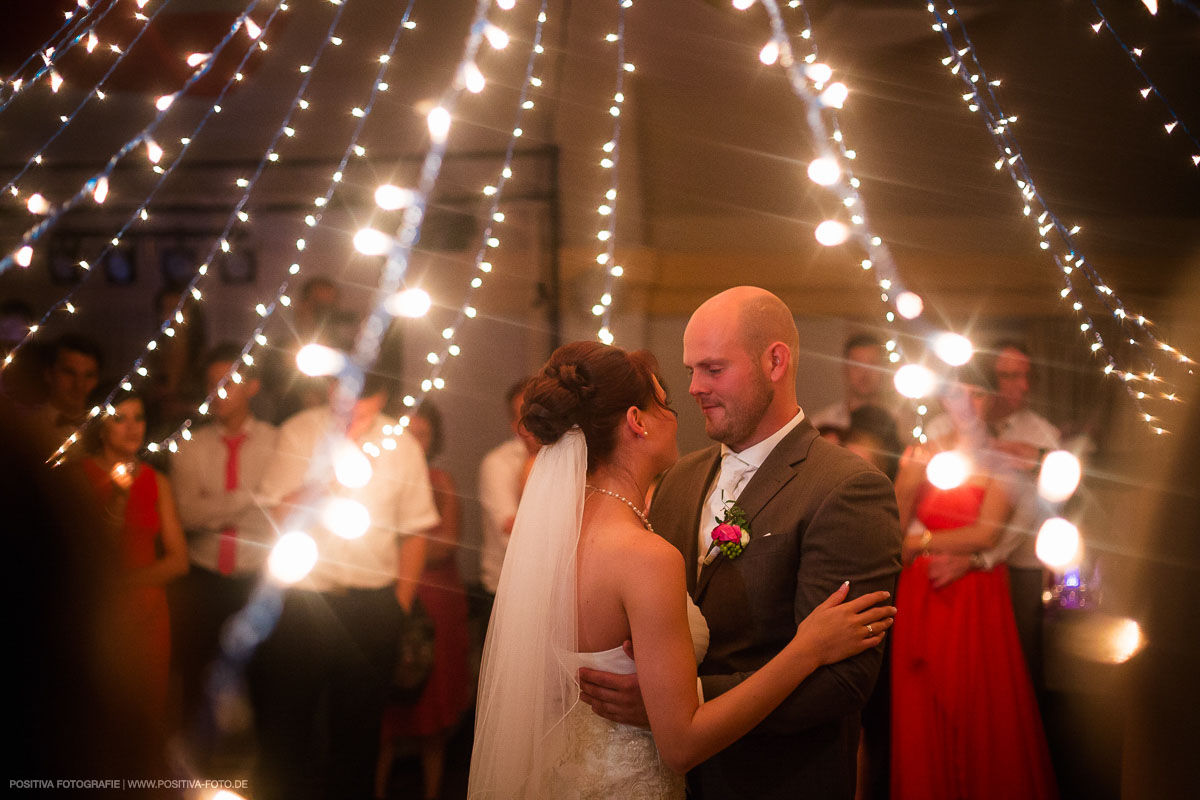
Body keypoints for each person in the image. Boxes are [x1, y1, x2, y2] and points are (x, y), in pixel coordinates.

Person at [469, 340, 895, 799]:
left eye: (712, 368)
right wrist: (806, 650)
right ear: (637, 422)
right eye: (665, 402)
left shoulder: (556, 542)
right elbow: (681, 743)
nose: (687, 400)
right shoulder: (644, 555)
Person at [577, 287, 902, 800]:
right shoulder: (679, 478)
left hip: (778, 781)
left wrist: (682, 703)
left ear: (775, 361)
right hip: (673, 778)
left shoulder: (847, 487)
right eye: (690, 371)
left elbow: (846, 681)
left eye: (713, 369)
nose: (694, 388)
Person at [252, 373, 437, 800]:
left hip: (372, 607)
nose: (353, 414)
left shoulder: (400, 445)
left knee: (359, 734)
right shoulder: (300, 431)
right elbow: (275, 514)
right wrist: (321, 486)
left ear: (382, 399)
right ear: (332, 388)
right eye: (346, 399)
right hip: (304, 601)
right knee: (286, 726)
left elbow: (415, 532)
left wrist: (399, 607)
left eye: (365, 407)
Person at [889, 362, 1057, 800]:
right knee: (922, 699)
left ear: (987, 400)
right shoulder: (924, 453)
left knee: (972, 702)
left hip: (975, 593)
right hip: (921, 589)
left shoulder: (1001, 458)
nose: (965, 404)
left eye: (976, 394)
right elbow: (893, 527)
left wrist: (923, 540)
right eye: (956, 393)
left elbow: (987, 531)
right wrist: (908, 481)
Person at [920, 340, 1060, 689]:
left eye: (1026, 376)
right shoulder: (939, 430)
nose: (1022, 386)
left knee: (1011, 673)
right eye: (1010, 376)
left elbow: (1029, 513)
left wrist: (981, 557)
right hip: (944, 559)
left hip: (1015, 566)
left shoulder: (1041, 434)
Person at [170, 343, 278, 759]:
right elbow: (189, 515)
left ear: (252, 386)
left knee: (265, 685)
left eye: (228, 382)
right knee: (196, 684)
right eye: (211, 383)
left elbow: (278, 504)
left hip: (255, 581)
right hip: (203, 581)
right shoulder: (190, 445)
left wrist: (219, 503)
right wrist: (252, 497)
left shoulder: (276, 441)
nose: (218, 391)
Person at [79, 387, 189, 726]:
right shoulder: (77, 475)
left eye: (138, 417)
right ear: (100, 426)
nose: (131, 427)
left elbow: (179, 560)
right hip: (95, 612)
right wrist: (118, 498)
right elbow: (87, 551)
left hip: (147, 612)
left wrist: (126, 582)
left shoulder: (156, 480)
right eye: (119, 418)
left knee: (146, 715)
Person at [377, 401, 470, 800]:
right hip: (392, 591)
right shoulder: (382, 477)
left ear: (434, 439)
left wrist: (397, 544)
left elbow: (446, 543)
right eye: (408, 432)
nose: (415, 441)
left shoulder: (441, 479)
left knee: (435, 703)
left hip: (437, 597)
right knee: (385, 709)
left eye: (423, 434)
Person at [477, 378, 539, 603]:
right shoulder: (498, 463)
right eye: (528, 413)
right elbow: (513, 539)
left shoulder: (570, 458)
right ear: (515, 424)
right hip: (505, 591)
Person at [810, 332, 900, 437]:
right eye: (856, 365)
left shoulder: (898, 423)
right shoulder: (823, 423)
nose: (865, 373)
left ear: (884, 370)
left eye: (873, 364)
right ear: (845, 369)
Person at [30, 333, 103, 454]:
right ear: (49, 374)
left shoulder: (106, 430)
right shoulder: (28, 430)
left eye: (89, 376)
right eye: (69, 373)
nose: (79, 385)